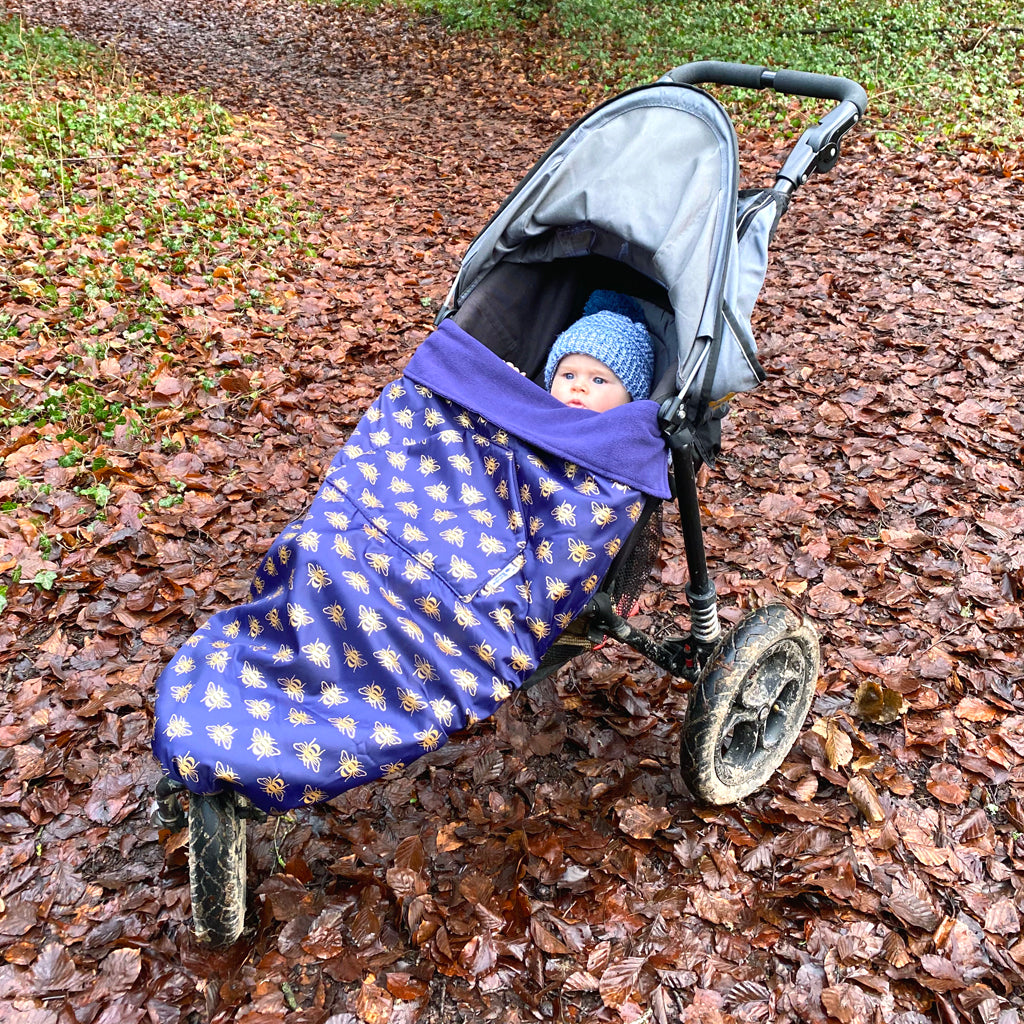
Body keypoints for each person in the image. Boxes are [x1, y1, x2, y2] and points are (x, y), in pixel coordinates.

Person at [544, 290, 655, 412]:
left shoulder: (625, 429)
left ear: (631, 398)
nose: (578, 386)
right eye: (569, 376)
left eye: (598, 380)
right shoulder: (539, 410)